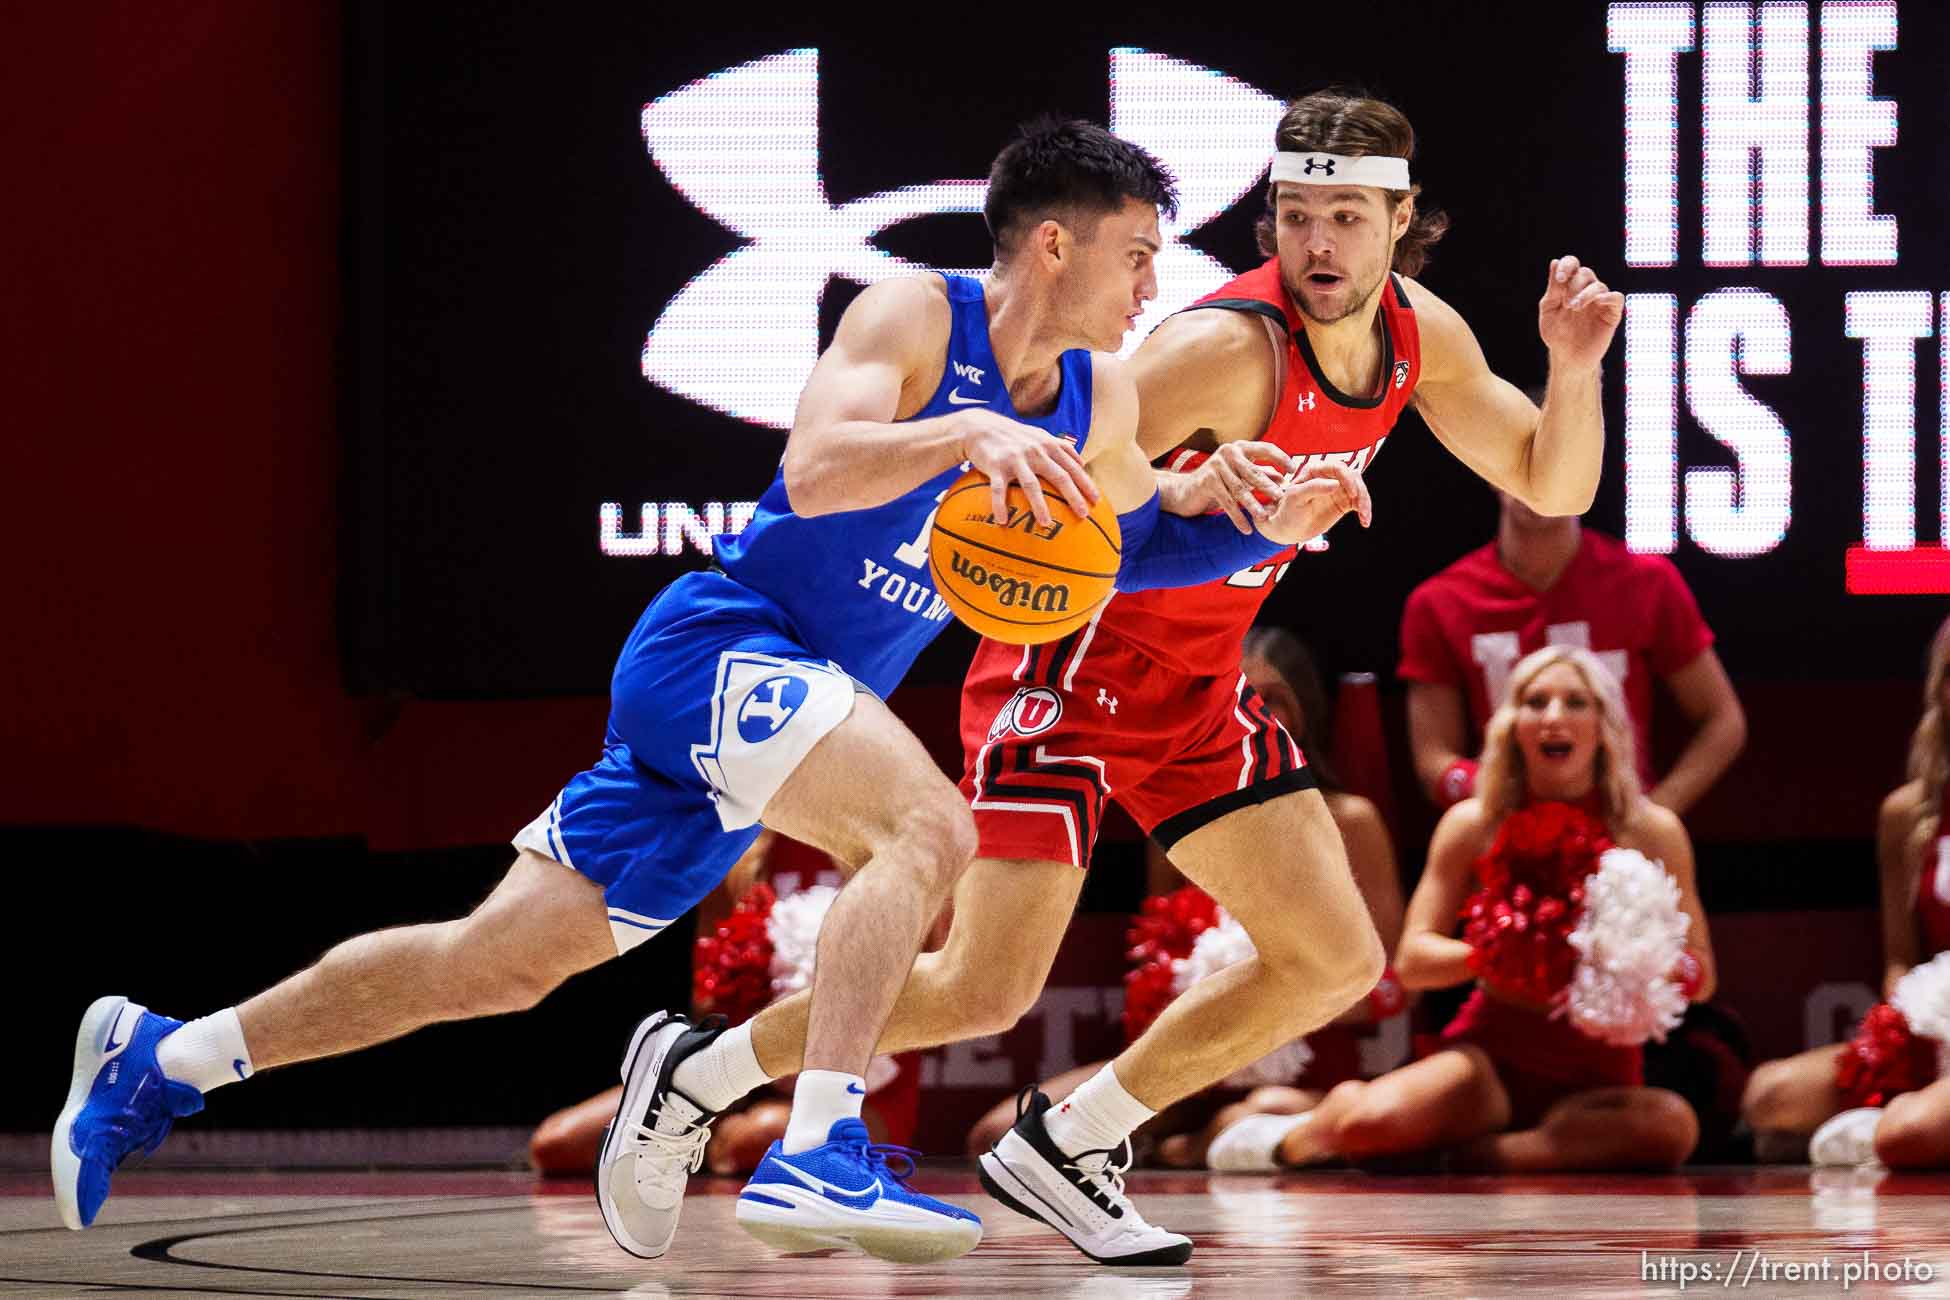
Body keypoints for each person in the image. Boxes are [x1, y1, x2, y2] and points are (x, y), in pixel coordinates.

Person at [51, 119, 1362, 1262]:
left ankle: (166, 1057)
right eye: (1139, 252)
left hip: (802, 702)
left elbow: (1126, 548)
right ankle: (816, 1147)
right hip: (722, 644)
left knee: (492, 966)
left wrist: (1268, 524)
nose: (1154, 285)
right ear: (1060, 247)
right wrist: (961, 434)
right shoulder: (914, 314)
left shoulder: (1094, 400)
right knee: (925, 831)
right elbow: (819, 467)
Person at [637, 88, 1624, 1266]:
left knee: (1333, 958)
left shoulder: (1424, 339)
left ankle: (1076, 1137)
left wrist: (1573, 367)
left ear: (1402, 220)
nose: (1317, 243)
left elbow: (1554, 485)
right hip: (1068, 663)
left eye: (1348, 218)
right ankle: (705, 1067)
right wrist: (1193, 496)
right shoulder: (1217, 346)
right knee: (979, 990)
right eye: (1298, 214)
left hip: (1198, 684)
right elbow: (1048, 461)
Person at [1203, 646, 1715, 1173]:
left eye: (1575, 702)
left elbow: (1703, 976)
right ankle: (1285, 1138)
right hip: (1487, 1063)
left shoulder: (1652, 831)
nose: (1554, 717)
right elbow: (1413, 962)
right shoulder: (1473, 824)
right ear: (1512, 726)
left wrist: (1634, 959)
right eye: (1536, 702)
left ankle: (1468, 1154)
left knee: (1671, 1128)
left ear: (1604, 726)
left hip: (1601, 1079)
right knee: (1370, 1124)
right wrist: (1508, 952)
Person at [960, 624, 1408, 1164]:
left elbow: (1386, 986)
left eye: (1275, 701)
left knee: (1253, 1113)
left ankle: (1194, 1144)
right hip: (1194, 1060)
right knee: (996, 1135)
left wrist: (1274, 975)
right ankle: (1172, 1142)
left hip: (1308, 1057)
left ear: (1306, 709)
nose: (1260, 716)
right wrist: (1184, 980)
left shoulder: (1351, 819)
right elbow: (1151, 956)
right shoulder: (1172, 823)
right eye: (1243, 699)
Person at [1399, 477, 1745, 813]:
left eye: (1558, 462)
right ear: (1486, 468)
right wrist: (1504, 804)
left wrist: (1651, 817)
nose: (1536, 478)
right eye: (1517, 460)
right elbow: (1433, 759)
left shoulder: (1648, 582)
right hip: (1501, 841)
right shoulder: (1439, 601)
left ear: (1589, 468)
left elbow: (1723, 719)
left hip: (1620, 844)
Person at [1741, 616, 1950, 1169]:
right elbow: (1902, 959)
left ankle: (1898, 1132)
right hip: (1935, 1029)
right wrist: (1920, 1018)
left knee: (1907, 1133)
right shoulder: (1907, 814)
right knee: (1769, 1097)